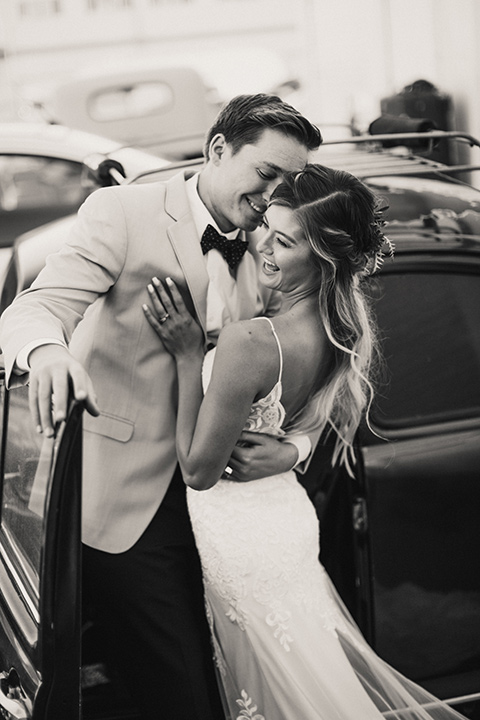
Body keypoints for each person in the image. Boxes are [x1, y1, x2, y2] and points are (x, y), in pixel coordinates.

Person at [0, 95, 322, 719]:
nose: (274, 193)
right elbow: (33, 309)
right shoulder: (122, 213)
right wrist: (46, 355)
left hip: (228, 504)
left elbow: (323, 356)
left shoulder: (277, 243)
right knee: (177, 686)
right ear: (218, 150)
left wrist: (296, 446)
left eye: (289, 181)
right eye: (266, 175)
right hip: (129, 501)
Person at [143, 164, 468, 720]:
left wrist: (186, 357)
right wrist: (295, 447)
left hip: (240, 536)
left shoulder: (250, 342)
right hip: (281, 524)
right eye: (266, 225)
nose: (262, 244)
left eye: (284, 240)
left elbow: (198, 470)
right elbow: (325, 412)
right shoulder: (340, 325)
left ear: (322, 257)